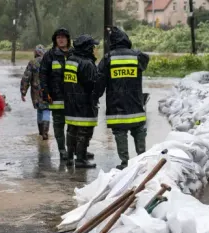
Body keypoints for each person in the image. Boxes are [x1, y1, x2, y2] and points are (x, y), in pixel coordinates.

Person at [97, 26, 150, 170]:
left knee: (120, 132)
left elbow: (99, 80)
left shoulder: (108, 58)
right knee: (138, 130)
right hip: (135, 103)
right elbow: (146, 59)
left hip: (116, 105)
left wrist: (95, 96)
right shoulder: (137, 56)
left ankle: (125, 162)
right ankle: (141, 157)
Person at [63, 34, 102, 168]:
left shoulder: (70, 60)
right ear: (87, 48)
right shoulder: (87, 63)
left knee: (71, 130)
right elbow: (92, 85)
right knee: (84, 131)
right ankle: (80, 159)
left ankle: (69, 157)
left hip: (70, 102)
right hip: (84, 103)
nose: (93, 49)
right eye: (92, 47)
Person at [39, 28, 71, 159]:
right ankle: (62, 150)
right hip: (56, 97)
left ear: (68, 39)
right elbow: (43, 75)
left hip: (72, 97)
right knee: (58, 125)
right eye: (58, 37)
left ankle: (73, 150)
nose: (61, 39)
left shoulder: (74, 54)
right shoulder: (49, 55)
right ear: (55, 40)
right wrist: (46, 92)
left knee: (73, 126)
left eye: (63, 37)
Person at [20, 44, 50, 140]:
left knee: (39, 110)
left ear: (36, 52)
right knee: (46, 110)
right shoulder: (49, 61)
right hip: (48, 91)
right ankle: (45, 133)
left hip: (36, 92)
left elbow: (26, 78)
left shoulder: (32, 62)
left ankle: (41, 132)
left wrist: (23, 91)